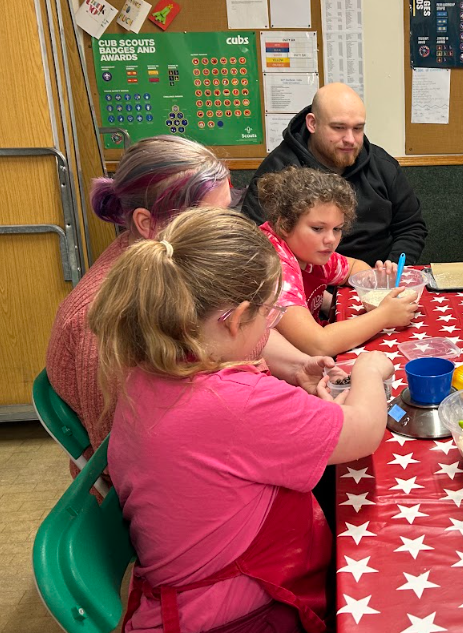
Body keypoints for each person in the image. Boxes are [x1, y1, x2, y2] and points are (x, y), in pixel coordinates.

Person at [89, 207, 391, 633]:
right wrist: (369, 371)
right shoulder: (237, 402)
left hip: (183, 599)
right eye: (269, 315)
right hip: (241, 616)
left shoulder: (148, 368)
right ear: (234, 319)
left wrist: (294, 371)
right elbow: (363, 431)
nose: (269, 326)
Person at [46, 135, 334, 459]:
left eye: (226, 212)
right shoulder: (104, 319)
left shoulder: (183, 267)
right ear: (146, 222)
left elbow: (238, 328)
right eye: (206, 218)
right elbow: (126, 455)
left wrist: (298, 366)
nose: (225, 229)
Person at [240, 83, 427, 264]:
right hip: (305, 279)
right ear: (312, 123)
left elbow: (411, 227)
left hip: (378, 276)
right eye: (338, 128)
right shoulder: (277, 171)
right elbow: (255, 242)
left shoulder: (383, 165)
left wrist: (391, 268)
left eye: (358, 128)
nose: (350, 139)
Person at [257, 166, 419, 357]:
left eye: (337, 229)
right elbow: (318, 344)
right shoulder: (273, 266)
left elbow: (354, 268)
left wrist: (376, 283)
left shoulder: (308, 249)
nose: (330, 240)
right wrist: (384, 315)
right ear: (284, 224)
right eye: (318, 229)